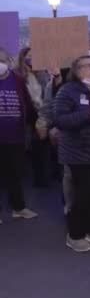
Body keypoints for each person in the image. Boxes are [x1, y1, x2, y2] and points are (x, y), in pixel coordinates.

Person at [53, 55, 90, 252]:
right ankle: (75, 234)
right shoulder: (67, 91)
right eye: (87, 66)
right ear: (77, 72)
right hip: (79, 152)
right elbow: (61, 120)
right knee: (84, 195)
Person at [0, 48, 39, 225]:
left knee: (15, 174)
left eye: (2, 60)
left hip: (15, 136)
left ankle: (19, 207)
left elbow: (28, 104)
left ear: (8, 61)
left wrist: (35, 124)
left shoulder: (17, 80)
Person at [15, 47, 51, 187]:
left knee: (40, 147)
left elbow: (47, 93)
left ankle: (41, 178)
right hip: (28, 114)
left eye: (34, 56)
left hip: (42, 114)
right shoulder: (19, 74)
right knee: (29, 146)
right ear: (22, 58)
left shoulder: (43, 74)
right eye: (28, 56)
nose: (31, 58)